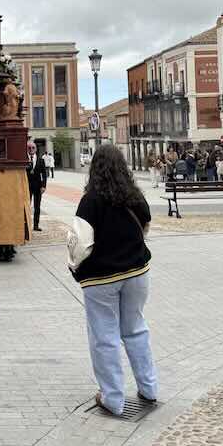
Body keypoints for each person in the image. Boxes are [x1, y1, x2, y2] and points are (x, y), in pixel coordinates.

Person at [74, 144, 157, 417]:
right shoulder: (134, 196)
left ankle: (113, 397)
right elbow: (145, 227)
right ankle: (149, 387)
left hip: (101, 277)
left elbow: (81, 242)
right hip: (137, 272)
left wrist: (75, 268)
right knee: (136, 329)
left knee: (104, 336)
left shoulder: (90, 201)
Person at [27, 141, 47, 232]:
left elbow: (44, 174)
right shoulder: (24, 160)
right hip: (27, 187)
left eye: (33, 148)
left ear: (36, 149)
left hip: (38, 187)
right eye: (29, 148)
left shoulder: (41, 160)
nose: (31, 149)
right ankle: (26, 225)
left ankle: (36, 225)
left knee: (37, 207)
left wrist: (43, 186)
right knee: (26, 206)